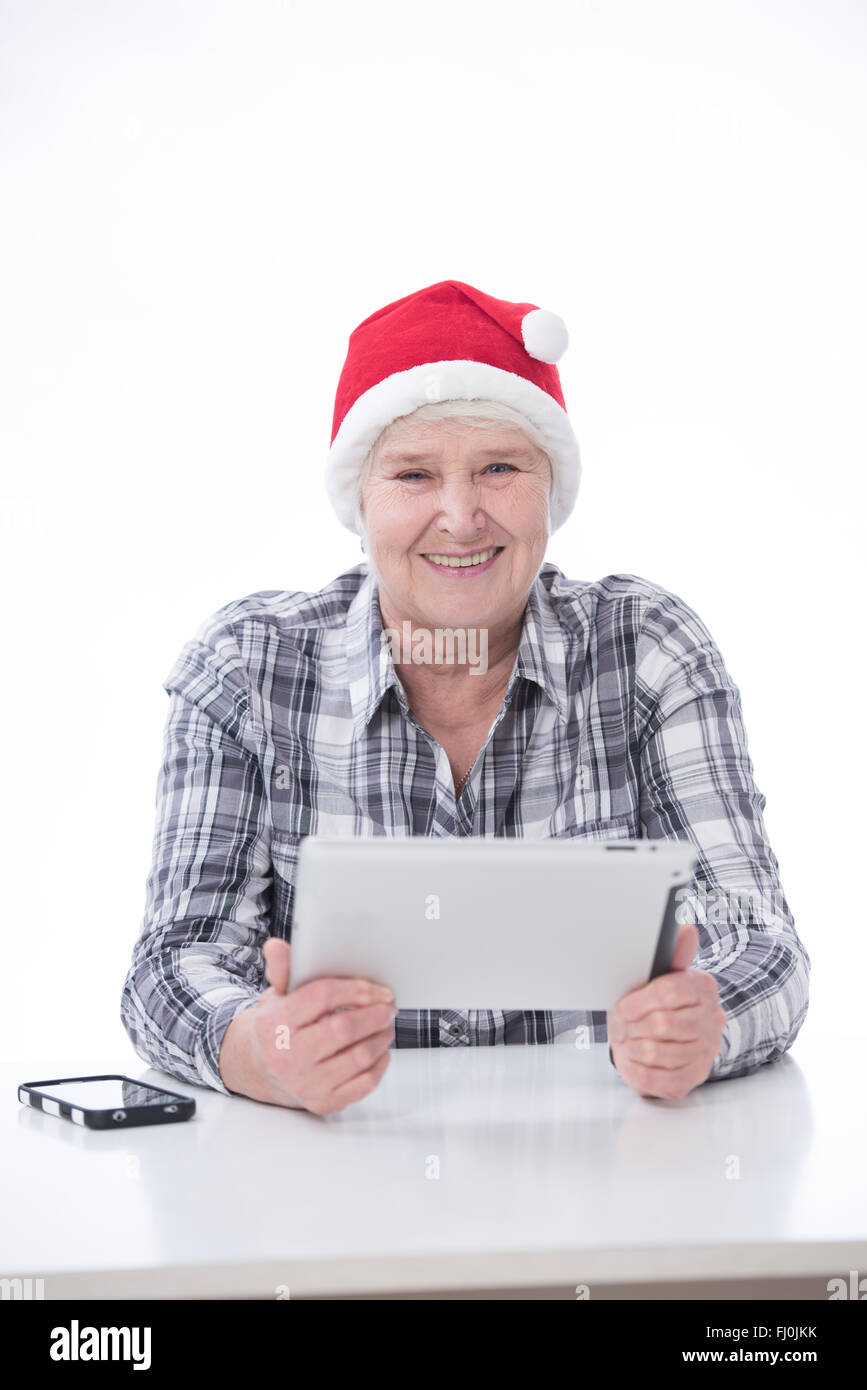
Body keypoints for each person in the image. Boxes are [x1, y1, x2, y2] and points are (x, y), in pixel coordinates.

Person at [120, 279, 810, 1115]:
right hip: (339, 1193)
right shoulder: (246, 668)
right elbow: (174, 962)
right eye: (413, 474)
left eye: (497, 468)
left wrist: (706, 1021)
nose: (459, 517)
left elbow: (760, 940)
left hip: (612, 1198)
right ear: (360, 501)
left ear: (547, 487)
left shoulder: (647, 651)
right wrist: (256, 1048)